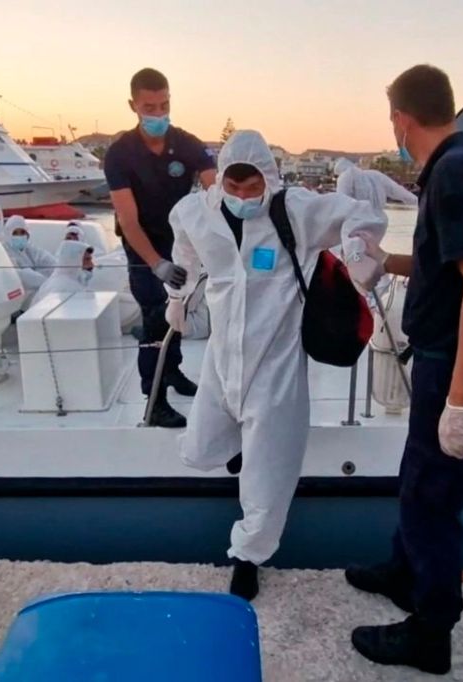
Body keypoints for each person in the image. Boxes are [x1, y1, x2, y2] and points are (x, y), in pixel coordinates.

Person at [346, 64, 463, 675]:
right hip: (442, 361)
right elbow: (449, 266)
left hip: (455, 367)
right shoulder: (460, 165)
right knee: (418, 479)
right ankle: (404, 572)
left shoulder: (456, 174)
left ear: (400, 116)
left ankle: (431, 632)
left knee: (434, 499)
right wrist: (384, 259)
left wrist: (461, 400)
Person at [165, 130, 386, 601]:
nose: (244, 198)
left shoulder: (297, 211)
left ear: (268, 179)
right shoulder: (194, 214)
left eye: (253, 188)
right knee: (200, 449)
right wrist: (176, 296)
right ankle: (239, 447)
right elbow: (183, 252)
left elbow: (363, 215)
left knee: (268, 475)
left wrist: (356, 249)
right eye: (234, 188)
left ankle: (248, 557)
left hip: (277, 363)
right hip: (222, 358)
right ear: (220, 180)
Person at [103, 67, 217, 428]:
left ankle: (175, 374)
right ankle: (154, 401)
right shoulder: (120, 154)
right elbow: (128, 219)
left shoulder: (185, 143)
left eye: (164, 105)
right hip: (142, 245)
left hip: (178, 240)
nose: (158, 114)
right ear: (133, 105)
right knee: (154, 317)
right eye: (149, 107)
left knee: (178, 310)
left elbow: (215, 189)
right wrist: (156, 264)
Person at [334, 158, 418, 217]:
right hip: (378, 222)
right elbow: (396, 190)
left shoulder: (344, 177)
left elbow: (342, 201)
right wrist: (419, 201)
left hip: (356, 221)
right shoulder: (375, 174)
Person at [31, 240, 95, 306]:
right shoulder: (63, 288)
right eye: (87, 260)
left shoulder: (70, 282)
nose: (92, 265)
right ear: (73, 262)